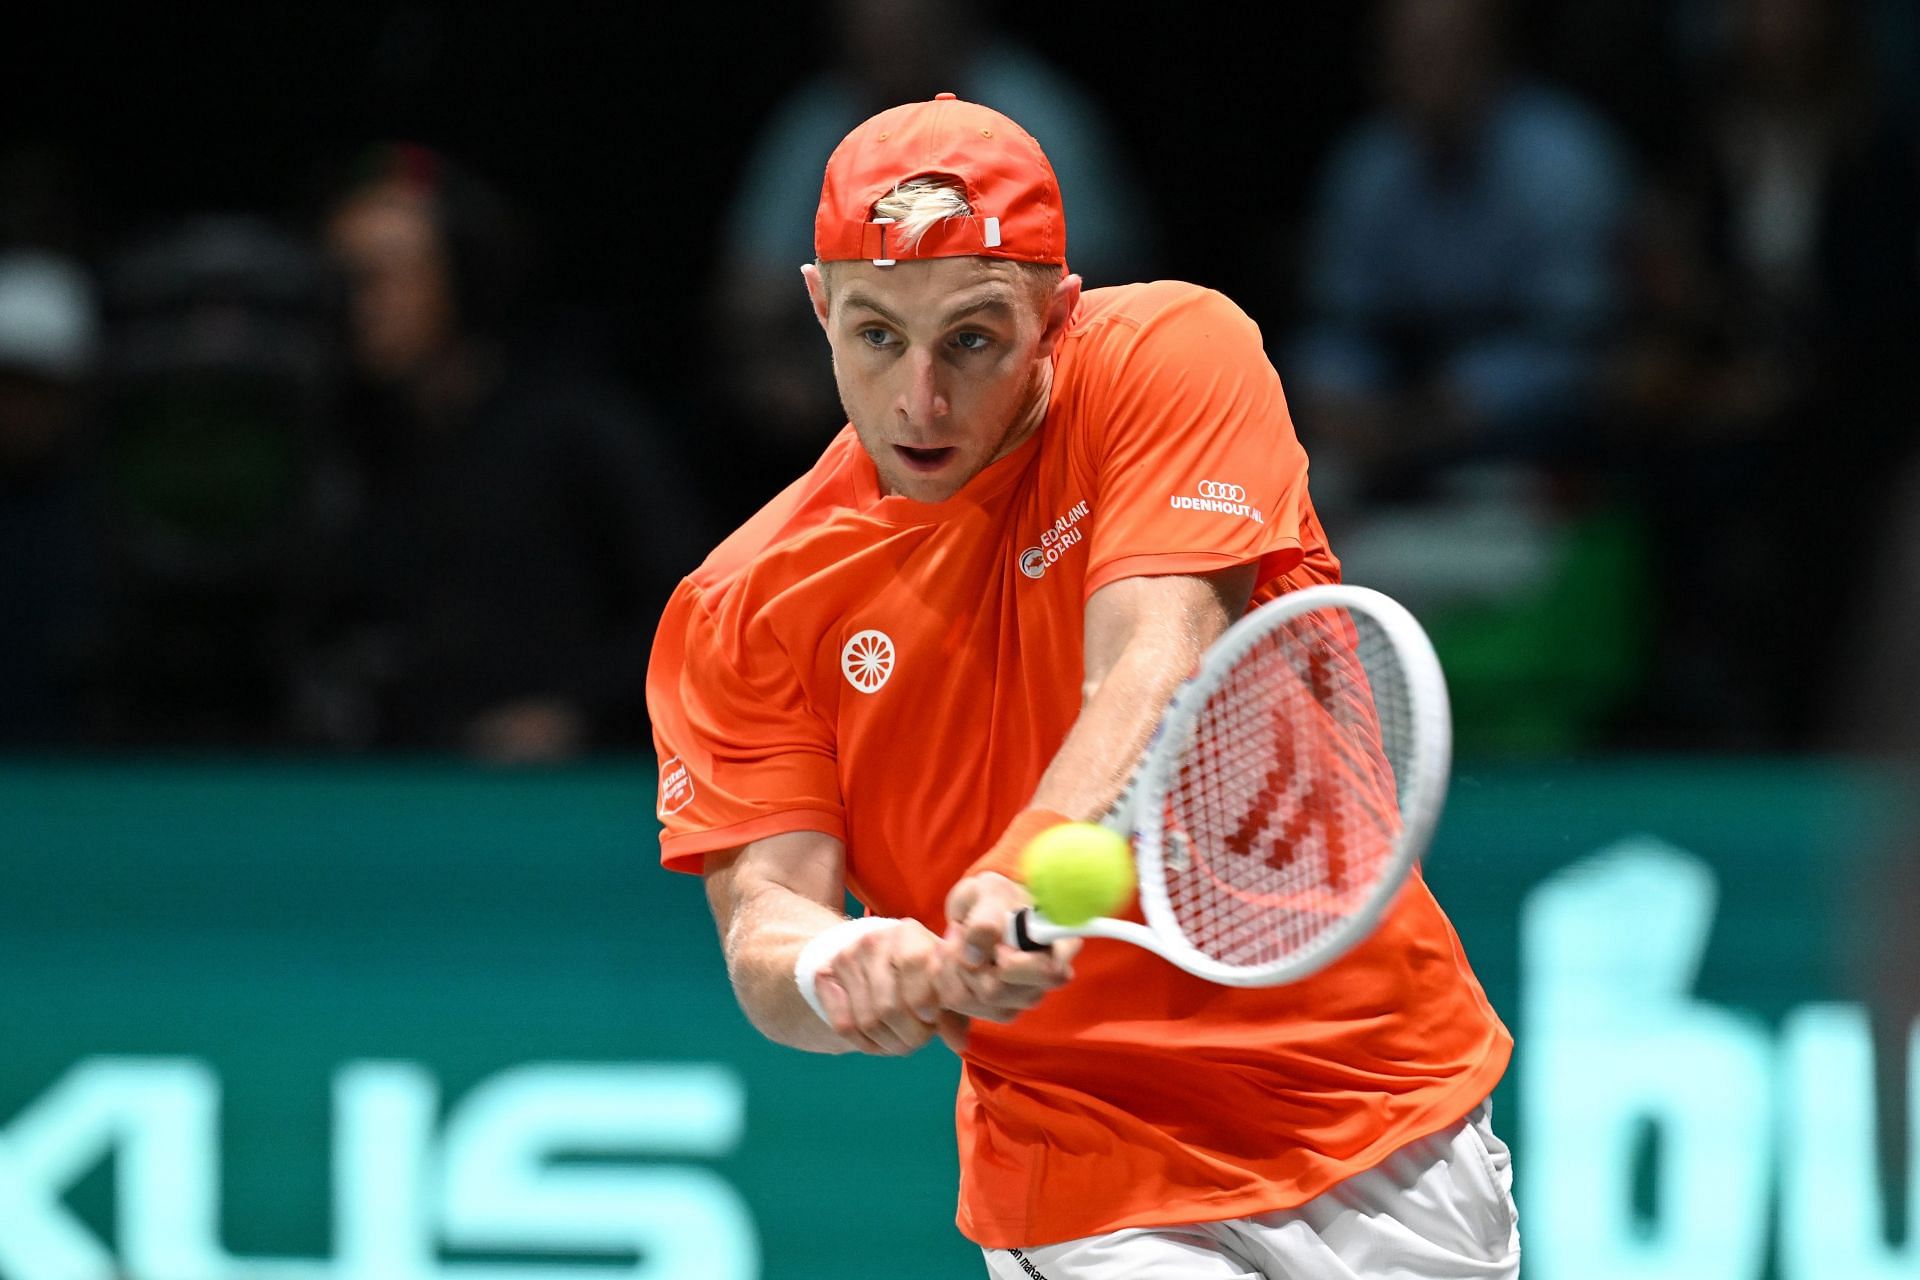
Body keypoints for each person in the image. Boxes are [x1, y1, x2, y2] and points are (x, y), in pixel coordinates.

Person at [646, 95, 1516, 1278]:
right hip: (1087, 1165)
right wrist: (835, 964)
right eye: (877, 336)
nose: (922, 401)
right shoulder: (746, 604)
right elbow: (766, 925)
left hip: (1374, 1091)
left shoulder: (1170, 355)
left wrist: (1013, 871)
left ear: (1057, 312)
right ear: (818, 305)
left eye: (973, 338)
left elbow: (1156, 658)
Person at [305, 144, 709, 760]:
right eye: (342, 283)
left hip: (572, 789)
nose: (357, 307)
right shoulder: (347, 445)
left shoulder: (575, 424)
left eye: (379, 278)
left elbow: (698, 610)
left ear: (463, 275)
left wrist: (575, 713)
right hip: (402, 783)